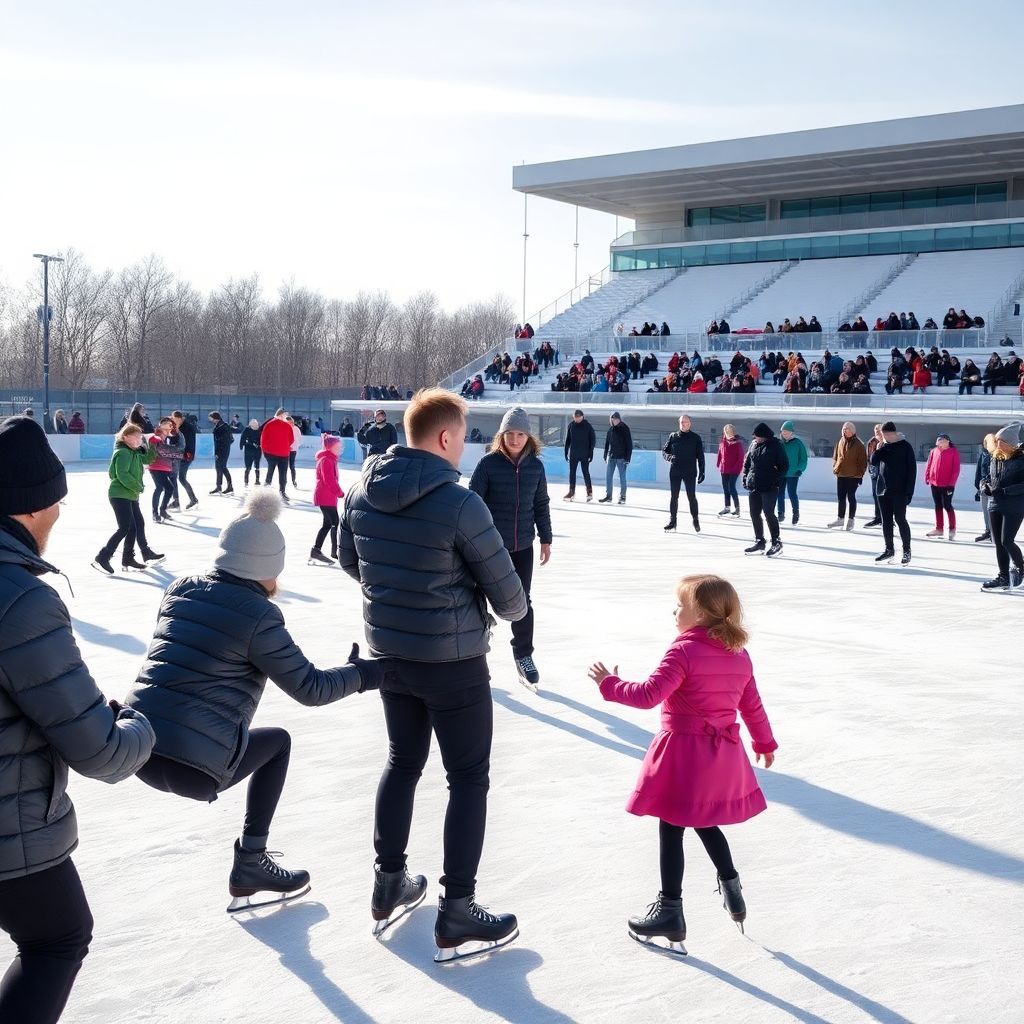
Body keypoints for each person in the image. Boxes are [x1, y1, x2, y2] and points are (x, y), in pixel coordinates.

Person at [125, 489, 385, 912]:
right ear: (268, 568)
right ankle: (251, 861)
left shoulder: (180, 590)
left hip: (136, 748)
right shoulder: (258, 615)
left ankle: (251, 864)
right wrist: (366, 674)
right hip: (192, 768)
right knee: (277, 743)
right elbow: (310, 688)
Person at [339, 388, 527, 960]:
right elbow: (511, 601)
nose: (467, 446)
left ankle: (388, 879)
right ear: (445, 437)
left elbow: (352, 561)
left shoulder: (361, 490)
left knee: (402, 763)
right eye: (465, 435)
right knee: (468, 778)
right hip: (454, 664)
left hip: (391, 657)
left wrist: (401, 595)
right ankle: (457, 910)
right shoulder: (460, 502)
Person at [0, 415, 156, 1024]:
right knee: (58, 938)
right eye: (56, 501)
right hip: (10, 826)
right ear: (37, 506)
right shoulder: (22, 600)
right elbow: (100, 753)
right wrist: (142, 726)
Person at [587, 574, 777, 953]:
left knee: (672, 827)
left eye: (680, 606)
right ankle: (730, 883)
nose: (674, 612)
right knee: (704, 822)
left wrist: (610, 684)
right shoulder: (739, 653)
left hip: (684, 754)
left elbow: (648, 695)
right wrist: (764, 741)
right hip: (722, 755)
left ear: (701, 613)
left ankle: (670, 912)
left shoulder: (684, 651)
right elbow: (752, 704)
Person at [469, 407, 552, 690]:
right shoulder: (488, 465)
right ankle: (473, 656)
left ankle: (524, 655)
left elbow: (541, 504)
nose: (515, 439)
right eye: (510, 434)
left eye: (520, 434)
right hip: (489, 548)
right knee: (476, 602)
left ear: (528, 437)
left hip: (522, 547)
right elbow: (472, 504)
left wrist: (546, 538)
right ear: (501, 435)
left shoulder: (536, 467)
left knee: (522, 603)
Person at [92, 423, 164, 574]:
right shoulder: (123, 453)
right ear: (125, 437)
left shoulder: (134, 452)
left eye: (140, 436)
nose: (139, 439)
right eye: (136, 436)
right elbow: (122, 475)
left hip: (130, 495)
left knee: (136, 525)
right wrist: (138, 486)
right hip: (119, 494)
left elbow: (148, 460)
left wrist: (152, 444)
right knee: (125, 527)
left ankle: (128, 558)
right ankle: (103, 556)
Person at [979, 422, 1024, 591]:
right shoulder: (995, 458)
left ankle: (1021, 567)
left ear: (1011, 444)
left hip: (1015, 504)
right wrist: (984, 486)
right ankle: (1004, 576)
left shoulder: (1021, 459)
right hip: (995, 504)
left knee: (1007, 540)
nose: (998, 445)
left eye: (1002, 442)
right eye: (997, 441)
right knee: (998, 542)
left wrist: (1004, 491)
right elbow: (987, 477)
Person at [870, 421, 916, 566]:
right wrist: (879, 448)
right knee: (886, 521)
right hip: (883, 490)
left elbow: (912, 471)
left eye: (887, 435)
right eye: (883, 435)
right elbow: (873, 461)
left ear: (894, 433)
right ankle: (889, 549)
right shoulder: (884, 446)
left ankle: (906, 550)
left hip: (900, 491)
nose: (885, 437)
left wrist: (909, 492)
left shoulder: (905, 446)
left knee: (900, 519)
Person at [741, 423, 787, 557]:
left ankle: (776, 542)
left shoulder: (776, 446)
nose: (756, 438)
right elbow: (747, 462)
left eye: (758, 436)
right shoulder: (753, 445)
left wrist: (775, 480)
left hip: (769, 486)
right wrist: (746, 477)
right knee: (754, 513)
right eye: (755, 436)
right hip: (754, 484)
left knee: (768, 513)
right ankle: (759, 541)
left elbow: (784, 465)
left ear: (765, 436)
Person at [662, 415, 705, 533]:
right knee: (674, 497)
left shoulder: (695, 438)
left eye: (685, 422)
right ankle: (673, 521)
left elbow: (701, 456)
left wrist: (702, 471)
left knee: (691, 497)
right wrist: (669, 457)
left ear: (690, 423)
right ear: (679, 423)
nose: (683, 424)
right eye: (681, 422)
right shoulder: (673, 436)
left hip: (690, 472)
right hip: (675, 471)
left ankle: (695, 519)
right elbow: (664, 451)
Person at [310, 434, 344, 564]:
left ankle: (318, 550)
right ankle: (334, 552)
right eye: (337, 446)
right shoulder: (326, 460)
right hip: (325, 496)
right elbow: (329, 480)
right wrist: (340, 492)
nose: (339, 449)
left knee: (328, 524)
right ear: (330, 447)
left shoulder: (330, 459)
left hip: (329, 497)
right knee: (334, 522)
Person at [828, 423, 868, 530]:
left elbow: (863, 462)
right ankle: (840, 519)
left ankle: (851, 520)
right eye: (845, 429)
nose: (847, 431)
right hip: (841, 474)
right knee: (841, 498)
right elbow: (836, 456)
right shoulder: (840, 441)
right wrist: (835, 468)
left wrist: (860, 475)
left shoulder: (859, 444)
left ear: (853, 431)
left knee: (851, 497)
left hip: (853, 476)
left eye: (849, 429)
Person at [924, 433, 961, 541]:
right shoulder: (934, 451)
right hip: (934, 483)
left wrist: (951, 484)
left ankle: (952, 529)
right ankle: (939, 528)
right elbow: (929, 465)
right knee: (938, 505)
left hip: (947, 485)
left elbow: (956, 470)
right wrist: (927, 477)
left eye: (942, 441)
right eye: (939, 441)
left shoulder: (953, 452)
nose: (940, 443)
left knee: (947, 505)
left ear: (947, 441)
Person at [148, 417, 181, 524]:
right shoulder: (156, 437)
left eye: (170, 426)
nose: (168, 428)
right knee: (160, 488)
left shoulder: (167, 437)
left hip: (164, 466)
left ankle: (162, 510)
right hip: (156, 466)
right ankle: (155, 513)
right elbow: (159, 448)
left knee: (169, 488)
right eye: (166, 425)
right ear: (161, 426)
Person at [776, 420, 807, 526]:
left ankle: (795, 513)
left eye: (786, 432)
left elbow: (803, 458)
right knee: (779, 493)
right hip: (781, 473)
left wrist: (800, 469)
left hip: (793, 473)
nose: (784, 434)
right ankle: (780, 513)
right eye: (782, 432)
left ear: (791, 432)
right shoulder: (779, 443)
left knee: (792, 493)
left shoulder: (798, 443)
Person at [563, 409, 596, 502]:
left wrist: (591, 453)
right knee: (572, 473)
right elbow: (567, 440)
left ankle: (589, 492)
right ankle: (571, 492)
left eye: (578, 417)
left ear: (582, 416)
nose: (576, 418)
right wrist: (566, 451)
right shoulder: (571, 425)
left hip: (584, 453)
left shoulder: (588, 426)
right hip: (574, 453)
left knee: (585, 472)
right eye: (575, 417)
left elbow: (592, 440)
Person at [260, 409, 294, 501]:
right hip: (283, 453)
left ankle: (266, 490)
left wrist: (265, 450)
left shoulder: (269, 424)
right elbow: (291, 439)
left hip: (272, 453)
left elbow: (263, 438)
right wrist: (285, 445)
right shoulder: (287, 426)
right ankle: (282, 491)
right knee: (283, 474)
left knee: (270, 471)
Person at [600, 412, 633, 505]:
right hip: (612, 457)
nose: (614, 420)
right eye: (612, 418)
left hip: (622, 458)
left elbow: (629, 444)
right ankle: (609, 496)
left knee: (622, 478)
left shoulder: (625, 428)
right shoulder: (610, 429)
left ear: (619, 419)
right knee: (608, 477)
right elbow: (607, 443)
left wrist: (628, 458)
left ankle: (623, 497)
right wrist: (605, 454)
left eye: (615, 418)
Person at [170, 410, 199, 510]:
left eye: (173, 418)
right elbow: (173, 442)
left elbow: (191, 443)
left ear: (179, 418)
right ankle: (188, 499)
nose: (172, 420)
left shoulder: (188, 427)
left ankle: (181, 500)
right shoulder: (175, 428)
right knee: (176, 477)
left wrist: (188, 455)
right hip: (178, 456)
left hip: (185, 456)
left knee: (179, 477)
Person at [716, 425, 744, 517]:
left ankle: (737, 509)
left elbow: (740, 458)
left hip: (734, 469)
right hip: (724, 469)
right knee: (725, 488)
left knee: (731, 487)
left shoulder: (738, 443)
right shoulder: (723, 441)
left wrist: (737, 468)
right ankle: (727, 507)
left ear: (733, 432)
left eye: (730, 431)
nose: (728, 433)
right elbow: (720, 453)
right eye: (726, 431)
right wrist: (718, 463)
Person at [975, 434, 995, 543]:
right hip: (983, 486)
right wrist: (977, 487)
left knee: (992, 510)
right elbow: (978, 471)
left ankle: (994, 533)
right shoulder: (983, 455)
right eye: (985, 442)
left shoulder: (997, 454)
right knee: (985, 511)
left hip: (993, 487)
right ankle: (988, 531)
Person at [864, 423, 885, 529]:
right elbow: (869, 457)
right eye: (876, 429)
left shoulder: (886, 441)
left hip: (885, 473)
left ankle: (886, 517)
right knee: (875, 495)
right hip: (874, 472)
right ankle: (878, 517)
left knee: (885, 495)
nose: (877, 430)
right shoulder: (871, 442)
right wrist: (871, 470)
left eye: (879, 429)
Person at [208, 412, 234, 494]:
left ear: (215, 418)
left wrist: (221, 450)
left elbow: (229, 439)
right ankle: (218, 486)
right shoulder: (218, 426)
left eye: (211, 418)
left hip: (223, 450)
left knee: (223, 467)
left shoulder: (224, 426)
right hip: (219, 450)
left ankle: (229, 486)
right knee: (218, 468)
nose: (211, 420)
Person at [239, 418, 263, 486]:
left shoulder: (247, 429)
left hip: (250, 450)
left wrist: (241, 445)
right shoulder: (259, 430)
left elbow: (243, 438)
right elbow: (262, 439)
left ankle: (247, 481)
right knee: (256, 466)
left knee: (249, 466)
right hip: (255, 450)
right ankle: (256, 480)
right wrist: (258, 444)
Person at [286, 415, 302, 488]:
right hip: (285, 450)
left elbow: (299, 439)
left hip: (293, 450)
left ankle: (293, 480)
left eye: (292, 422)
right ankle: (284, 481)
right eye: (289, 423)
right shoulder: (285, 428)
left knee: (292, 466)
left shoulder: (296, 429)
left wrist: (295, 446)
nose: (291, 424)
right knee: (284, 466)